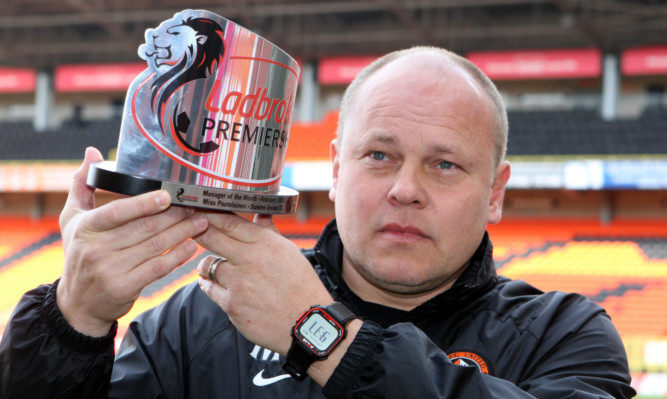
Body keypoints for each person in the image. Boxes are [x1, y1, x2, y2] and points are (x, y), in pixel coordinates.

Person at [0, 46, 635, 398]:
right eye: (379, 155)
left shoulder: (565, 333)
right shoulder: (199, 324)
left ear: (495, 192)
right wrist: (73, 320)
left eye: (444, 165)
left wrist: (323, 336)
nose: (405, 190)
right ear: (335, 168)